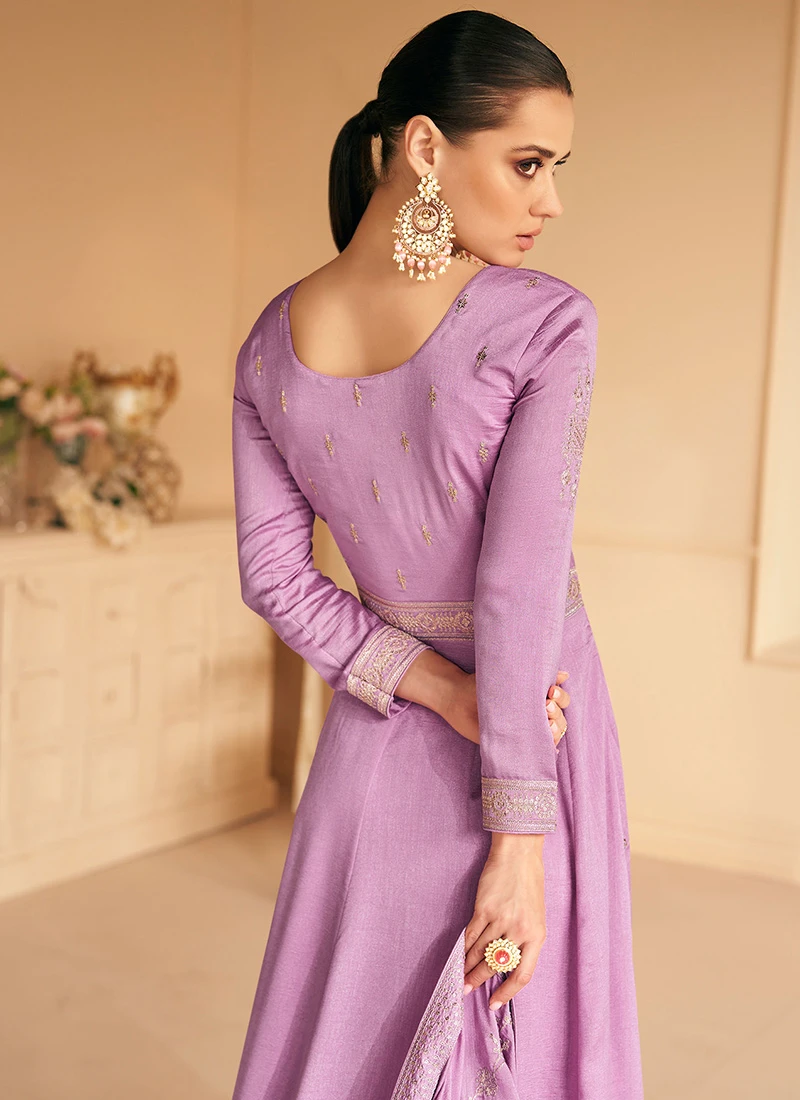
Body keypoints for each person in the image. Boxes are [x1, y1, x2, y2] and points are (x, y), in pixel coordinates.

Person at [229, 10, 644, 1099]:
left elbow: (274, 578)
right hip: (534, 722)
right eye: (527, 163)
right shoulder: (544, 322)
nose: (550, 201)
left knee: (344, 1034)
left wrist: (430, 688)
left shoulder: (270, 341)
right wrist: (519, 836)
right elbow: (512, 590)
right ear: (423, 144)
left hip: (376, 735)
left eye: (554, 169)